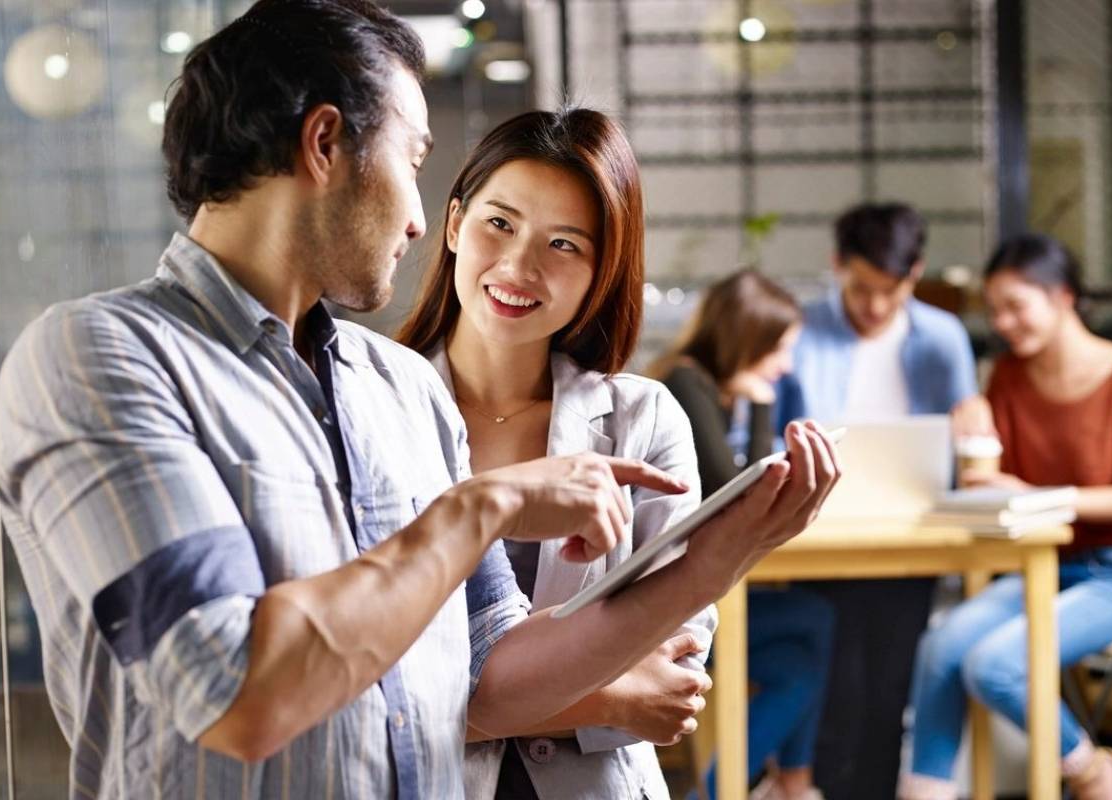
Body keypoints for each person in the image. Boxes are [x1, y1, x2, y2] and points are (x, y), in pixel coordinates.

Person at [0, 2, 843, 797]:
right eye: (415, 159)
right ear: (326, 144)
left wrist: (719, 557)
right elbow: (235, 694)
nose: (419, 220)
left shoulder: (397, 389)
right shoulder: (98, 357)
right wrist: (490, 503)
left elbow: (493, 680)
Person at [396, 107, 716, 799]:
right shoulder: (370, 404)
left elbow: (674, 668)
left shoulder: (643, 418)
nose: (519, 266)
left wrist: (454, 706)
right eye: (499, 224)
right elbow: (356, 690)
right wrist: (605, 699)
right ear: (454, 224)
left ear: (604, 268)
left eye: (564, 244)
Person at [898, 234, 1112, 800]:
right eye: (995, 310)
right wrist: (973, 429)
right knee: (941, 647)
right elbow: (993, 487)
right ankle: (925, 792)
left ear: (1064, 296)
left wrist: (1043, 495)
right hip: (1039, 564)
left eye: (1016, 305)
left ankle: (1092, 769)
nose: (1004, 322)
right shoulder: (1008, 379)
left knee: (997, 665)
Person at [774, 203, 992, 799]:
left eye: (890, 291)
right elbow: (774, 435)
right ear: (837, 264)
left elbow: (964, 440)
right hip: (820, 536)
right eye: (862, 288)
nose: (874, 306)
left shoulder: (942, 338)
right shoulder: (802, 331)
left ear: (915, 274)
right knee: (832, 690)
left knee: (890, 690)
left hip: (909, 538)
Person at [651, 269, 833, 800]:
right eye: (781, 349)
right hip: (666, 609)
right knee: (814, 617)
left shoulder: (704, 386)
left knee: (797, 667)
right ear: (749, 340)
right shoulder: (684, 383)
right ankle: (786, 785)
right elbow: (737, 500)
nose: (786, 365)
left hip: (692, 595)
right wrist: (760, 408)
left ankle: (777, 786)